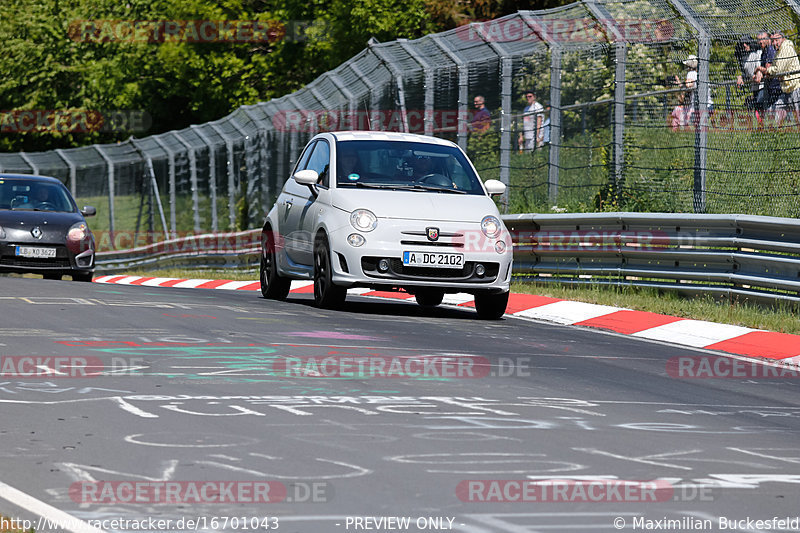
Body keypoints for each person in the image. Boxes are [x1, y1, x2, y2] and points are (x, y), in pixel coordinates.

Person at [765, 31, 800, 126]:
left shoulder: (786, 48)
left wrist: (768, 71)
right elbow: (776, 67)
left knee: (797, 115)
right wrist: (773, 71)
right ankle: (777, 132)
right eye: (772, 41)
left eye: (776, 40)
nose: (774, 43)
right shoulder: (779, 51)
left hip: (795, 87)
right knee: (777, 109)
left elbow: (778, 69)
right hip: (786, 89)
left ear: (781, 38)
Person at [753, 31, 782, 122]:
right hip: (769, 86)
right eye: (759, 40)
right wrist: (758, 73)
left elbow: (768, 70)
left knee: (775, 110)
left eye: (762, 40)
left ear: (767, 39)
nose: (760, 42)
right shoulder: (763, 53)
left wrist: (758, 69)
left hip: (776, 85)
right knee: (763, 106)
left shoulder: (770, 50)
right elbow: (764, 70)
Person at [734, 35, 762, 112]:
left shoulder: (758, 52)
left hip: (762, 84)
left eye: (746, 43)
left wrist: (758, 71)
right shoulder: (743, 57)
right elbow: (745, 72)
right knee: (756, 109)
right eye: (742, 43)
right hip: (754, 86)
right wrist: (740, 77)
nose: (744, 45)